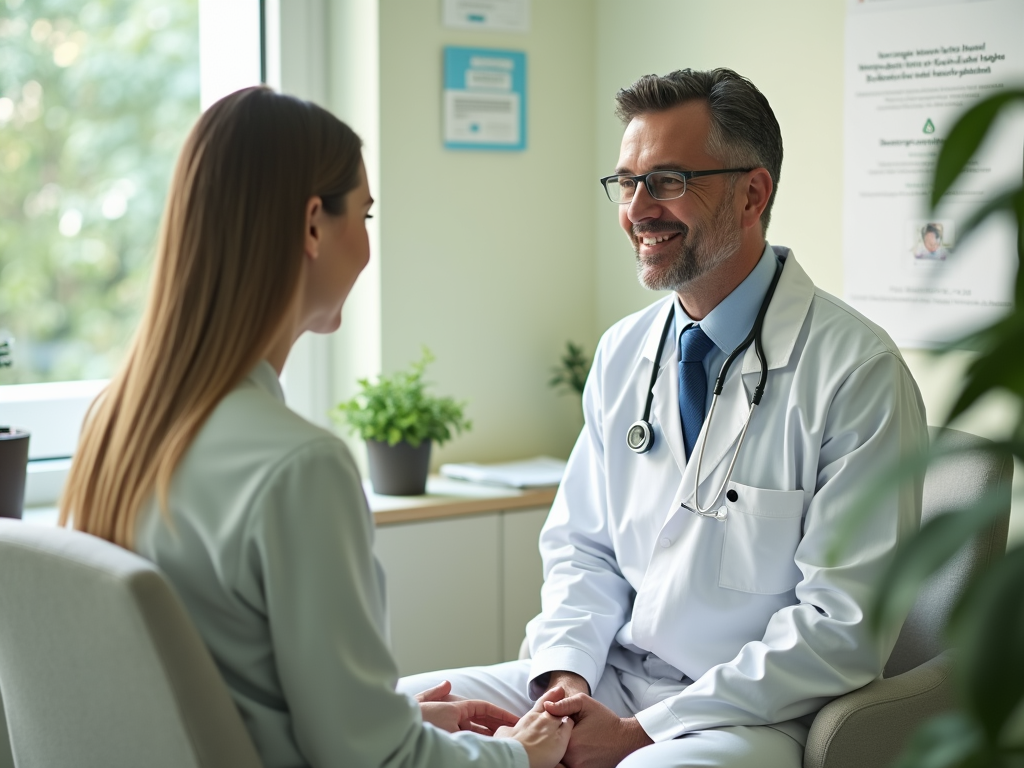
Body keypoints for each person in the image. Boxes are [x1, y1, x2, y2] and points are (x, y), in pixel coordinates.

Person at [398, 68, 928, 767]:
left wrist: (635, 734)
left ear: (752, 193)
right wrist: (564, 685)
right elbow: (581, 550)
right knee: (390, 722)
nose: (638, 208)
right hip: (605, 677)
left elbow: (841, 626)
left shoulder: (855, 371)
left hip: (748, 716)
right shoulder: (624, 351)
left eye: (669, 181)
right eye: (626, 181)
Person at [58, 86, 573, 768]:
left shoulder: (116, 427)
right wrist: (519, 756)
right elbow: (376, 765)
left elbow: (205, 693)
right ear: (311, 224)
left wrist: (392, 720)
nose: (365, 245)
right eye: (364, 215)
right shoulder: (299, 467)